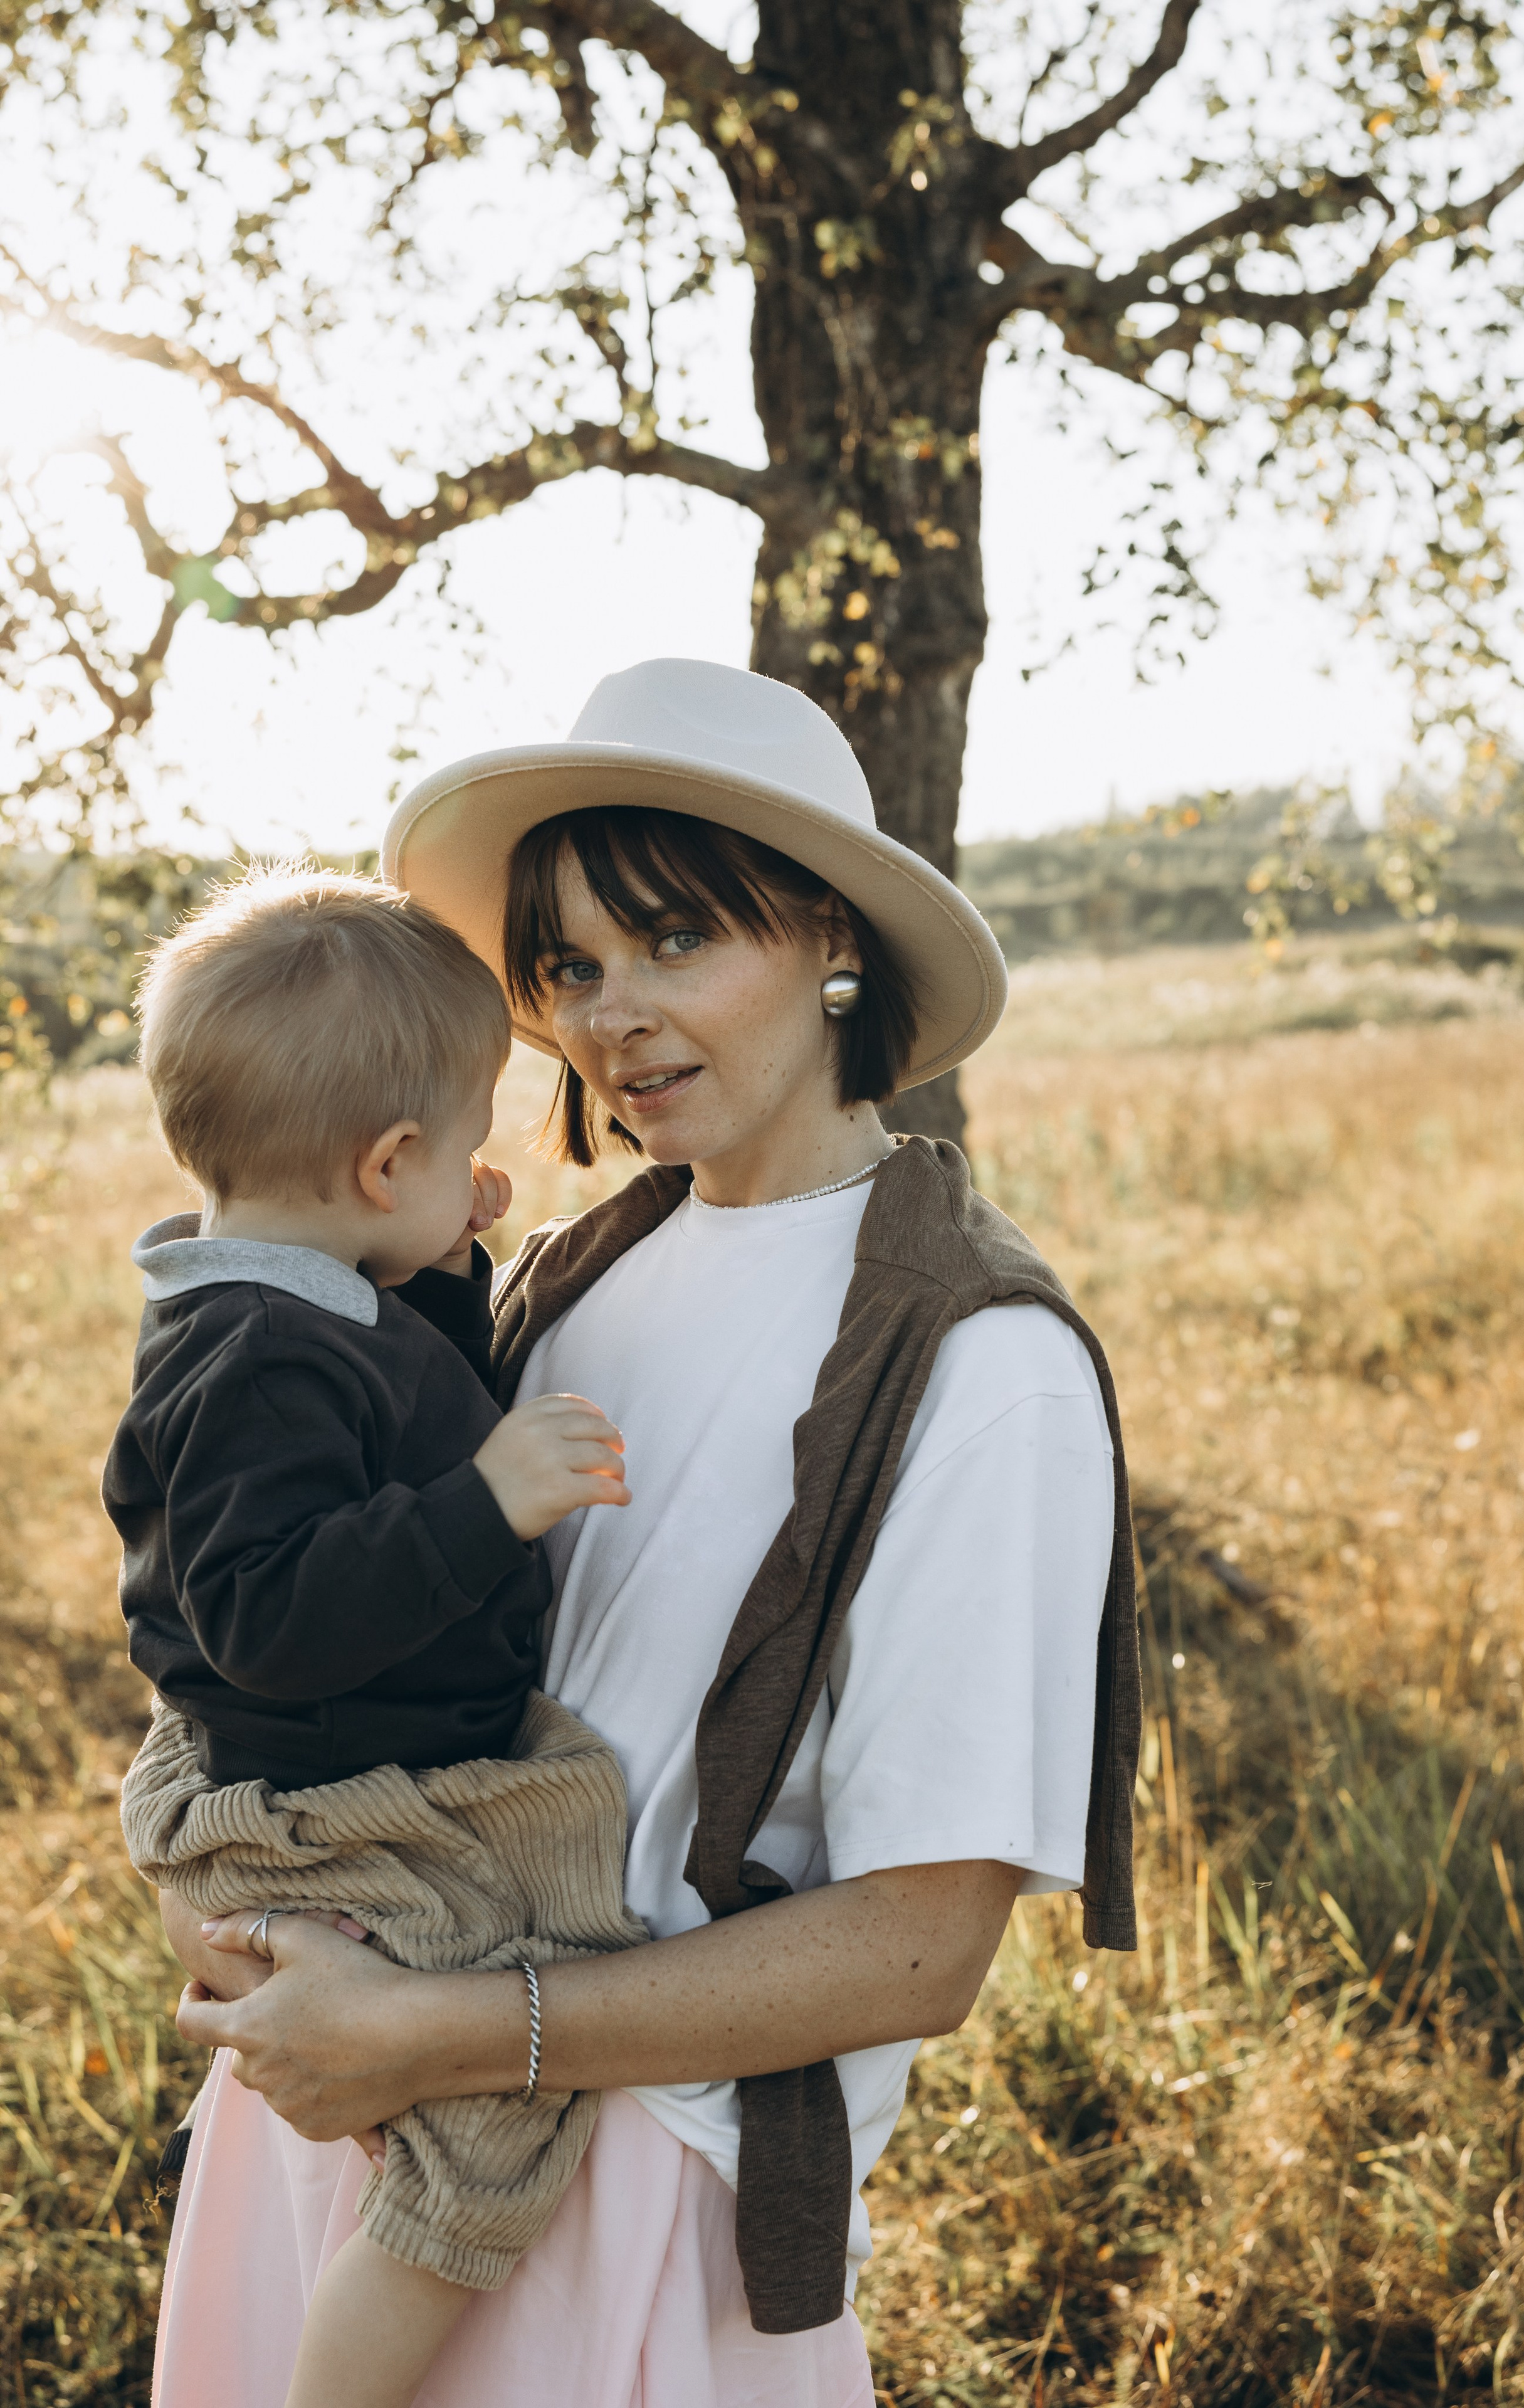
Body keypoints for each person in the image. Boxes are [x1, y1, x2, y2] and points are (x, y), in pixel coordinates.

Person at [153, 659, 1141, 2407]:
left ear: (833, 937)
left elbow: (922, 1946)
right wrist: (232, 1914)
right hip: (341, 2107)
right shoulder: (555, 1280)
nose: (612, 1017)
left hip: (625, 2192)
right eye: (568, 967)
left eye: (678, 940)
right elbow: (284, 1604)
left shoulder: (979, 1361)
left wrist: (447, 2032)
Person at [107, 870, 648, 2408]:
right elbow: (273, 1616)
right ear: (385, 1159)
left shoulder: (317, 1298)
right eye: (463, 1145)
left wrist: (445, 1261)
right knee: (483, 2138)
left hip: (356, 1771)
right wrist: (486, 1507)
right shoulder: (255, 1360)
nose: (481, 1169)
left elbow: (393, 1411)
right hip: (334, 1809)